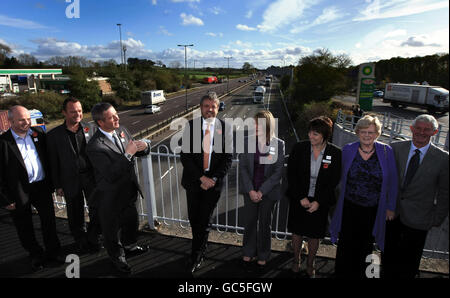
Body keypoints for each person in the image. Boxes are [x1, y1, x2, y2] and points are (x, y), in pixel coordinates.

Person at [329, 114, 398, 278]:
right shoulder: (348, 149)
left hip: (373, 209)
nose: (367, 135)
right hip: (349, 206)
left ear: (377, 134)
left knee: (366, 244)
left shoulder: (386, 151)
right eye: (363, 131)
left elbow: (393, 182)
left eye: (371, 132)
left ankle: (362, 274)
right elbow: (336, 175)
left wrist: (390, 207)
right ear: (357, 132)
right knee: (346, 243)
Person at [86, 102, 150, 275]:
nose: (117, 118)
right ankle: (118, 260)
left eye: (116, 114)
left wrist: (145, 147)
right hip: (110, 196)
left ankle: (130, 246)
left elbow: (135, 148)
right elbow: (110, 173)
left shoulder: (122, 129)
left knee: (131, 222)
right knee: (112, 232)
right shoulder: (94, 146)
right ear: (100, 122)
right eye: (112, 117)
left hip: (129, 190)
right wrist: (128, 153)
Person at [382, 114, 449, 279]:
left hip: (420, 219)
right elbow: (386, 180)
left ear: (434, 132)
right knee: (388, 258)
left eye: (426, 130)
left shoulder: (443, 159)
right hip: (392, 214)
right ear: (411, 129)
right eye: (418, 128)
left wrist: (437, 218)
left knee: (410, 263)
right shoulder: (395, 148)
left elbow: (445, 192)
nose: (421, 132)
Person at [0, 105, 63, 271]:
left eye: (28, 119)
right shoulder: (3, 143)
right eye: (21, 119)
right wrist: (5, 199)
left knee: (49, 222)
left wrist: (55, 184)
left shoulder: (39, 135)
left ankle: (53, 253)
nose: (26, 122)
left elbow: (50, 161)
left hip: (41, 187)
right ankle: (36, 255)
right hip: (18, 192)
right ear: (10, 121)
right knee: (24, 226)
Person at [180, 92, 233, 273]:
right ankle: (201, 245)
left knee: (204, 220)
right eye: (206, 106)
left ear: (218, 108)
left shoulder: (226, 128)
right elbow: (185, 157)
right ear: (201, 108)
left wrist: (213, 179)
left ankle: (196, 255)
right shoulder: (190, 126)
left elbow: (228, 158)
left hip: (213, 184)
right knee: (194, 219)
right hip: (194, 182)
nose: (210, 109)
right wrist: (201, 178)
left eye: (213, 106)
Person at [286, 116, 341, 278]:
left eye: (315, 134)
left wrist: (318, 202)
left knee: (315, 234)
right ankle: (296, 260)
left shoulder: (336, 153)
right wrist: (301, 197)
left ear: (325, 135)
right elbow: (291, 175)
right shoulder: (299, 148)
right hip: (299, 199)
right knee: (296, 232)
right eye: (310, 132)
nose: (311, 136)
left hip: (320, 202)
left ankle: (311, 263)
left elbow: (333, 181)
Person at [47, 97, 100, 253]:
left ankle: (94, 237)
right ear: (64, 113)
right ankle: (80, 240)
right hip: (69, 180)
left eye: (80, 110)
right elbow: (53, 162)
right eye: (73, 111)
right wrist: (57, 185)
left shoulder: (91, 129)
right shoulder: (54, 135)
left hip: (91, 178)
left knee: (96, 209)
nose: (77, 114)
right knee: (75, 213)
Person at [238, 110, 285, 271]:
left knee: (265, 224)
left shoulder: (278, 144)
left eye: (260, 123)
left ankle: (263, 254)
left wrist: (261, 191)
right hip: (250, 191)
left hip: (268, 192)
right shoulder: (246, 141)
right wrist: (251, 190)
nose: (256, 126)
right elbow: (243, 167)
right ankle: (248, 251)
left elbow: (278, 171)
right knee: (250, 222)